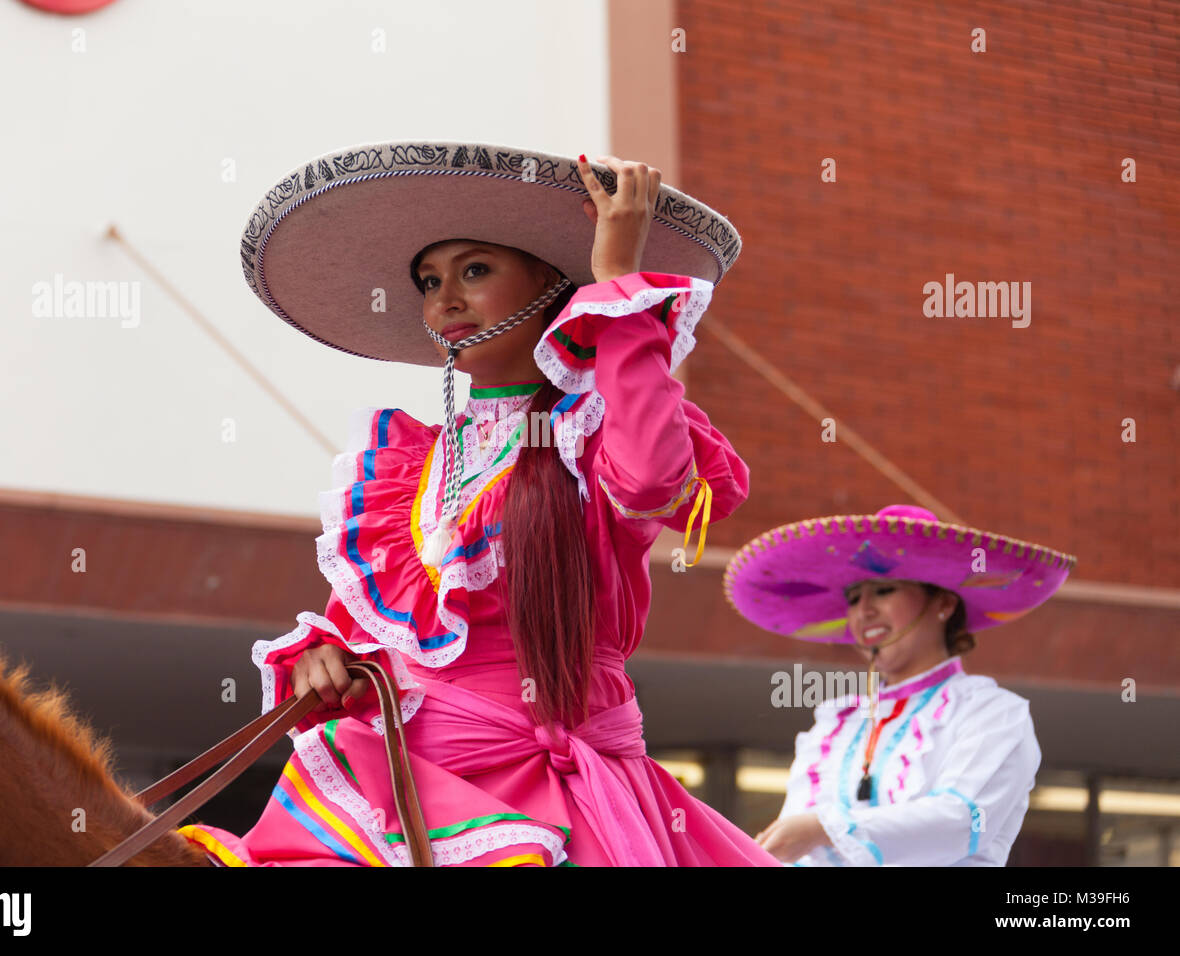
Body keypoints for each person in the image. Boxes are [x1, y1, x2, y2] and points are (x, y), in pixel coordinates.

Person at [178, 140, 781, 866]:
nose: (446, 301)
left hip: (555, 792)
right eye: (430, 281)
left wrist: (616, 284)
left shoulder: (592, 428)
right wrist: (328, 656)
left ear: (555, 284)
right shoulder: (413, 463)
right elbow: (379, 625)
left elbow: (655, 477)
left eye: (475, 270)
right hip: (407, 785)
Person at [724, 503, 1077, 866]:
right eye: (853, 598)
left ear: (943, 603)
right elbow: (795, 848)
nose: (863, 611)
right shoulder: (837, 724)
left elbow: (963, 820)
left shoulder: (993, 713)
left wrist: (824, 828)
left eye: (883, 590)